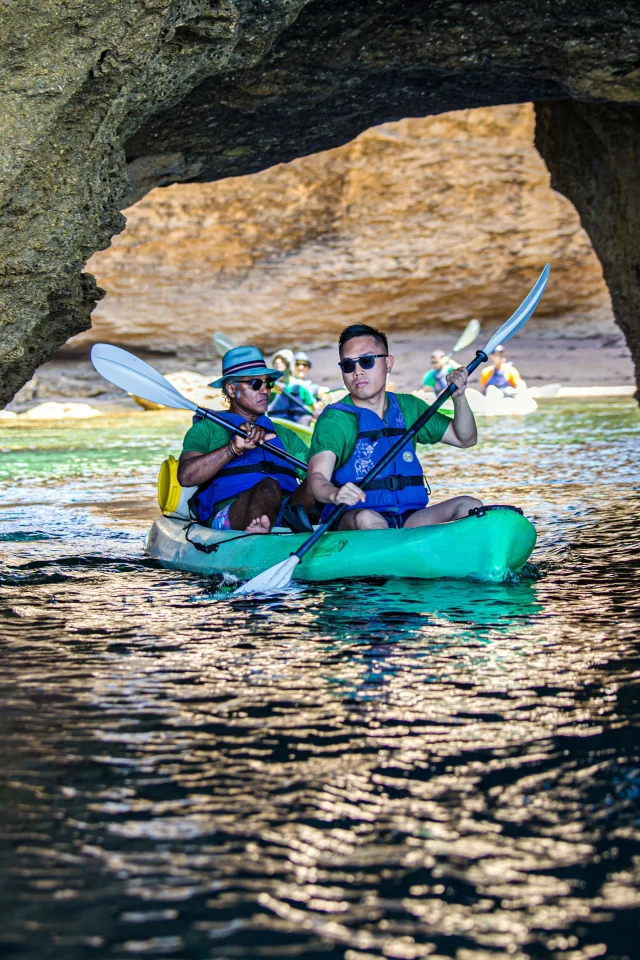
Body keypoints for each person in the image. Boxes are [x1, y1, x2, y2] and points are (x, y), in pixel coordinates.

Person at [307, 323, 482, 531]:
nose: (357, 372)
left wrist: (459, 397)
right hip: (354, 519)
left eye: (366, 361)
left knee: (469, 506)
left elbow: (465, 439)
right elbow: (317, 478)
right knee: (368, 519)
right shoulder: (336, 419)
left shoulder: (410, 407)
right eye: (348, 365)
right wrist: (334, 494)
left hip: (410, 519)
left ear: (388, 363)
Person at [178, 346, 315, 535]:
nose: (265, 391)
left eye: (268, 384)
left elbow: (316, 474)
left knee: (318, 479)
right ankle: (261, 530)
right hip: (232, 514)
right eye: (256, 384)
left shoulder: (284, 434)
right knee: (268, 486)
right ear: (232, 390)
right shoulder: (206, 429)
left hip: (288, 512)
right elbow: (186, 476)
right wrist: (233, 448)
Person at [267, 348, 317, 425]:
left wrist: (317, 412)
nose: (278, 362)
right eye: (276, 360)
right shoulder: (270, 385)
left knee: (307, 418)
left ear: (289, 363)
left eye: (282, 359)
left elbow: (314, 405)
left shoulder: (300, 386)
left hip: (297, 423)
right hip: (276, 421)